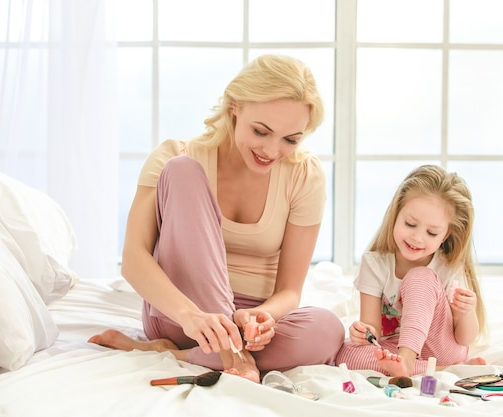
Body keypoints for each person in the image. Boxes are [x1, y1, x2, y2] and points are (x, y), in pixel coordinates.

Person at [88, 54, 345, 383]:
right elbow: (133, 261)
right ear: (234, 106)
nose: (271, 150)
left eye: (290, 140)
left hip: (247, 326)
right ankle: (228, 354)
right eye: (261, 131)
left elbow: (290, 291)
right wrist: (192, 317)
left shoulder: (304, 175)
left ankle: (172, 354)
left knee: (327, 330)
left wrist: (264, 316)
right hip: (183, 316)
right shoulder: (175, 157)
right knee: (182, 172)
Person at [335, 165, 487, 377]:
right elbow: (374, 329)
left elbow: (464, 339)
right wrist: (364, 333)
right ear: (396, 214)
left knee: (419, 277)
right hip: (395, 347)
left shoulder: (447, 268)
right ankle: (441, 370)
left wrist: (467, 311)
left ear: (445, 235)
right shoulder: (375, 265)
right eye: (410, 224)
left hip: (439, 349)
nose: (417, 238)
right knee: (346, 355)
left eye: (431, 233)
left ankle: (408, 364)